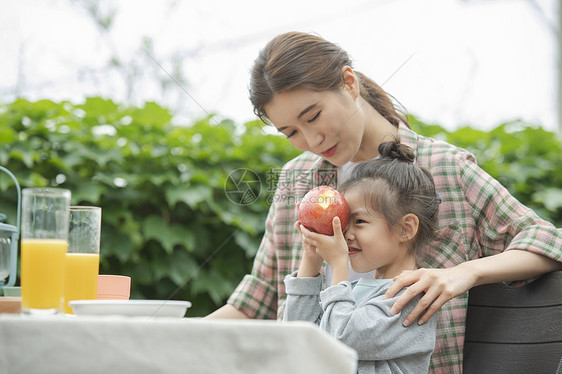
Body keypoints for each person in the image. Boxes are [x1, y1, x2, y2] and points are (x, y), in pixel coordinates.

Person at [206, 31, 562, 373]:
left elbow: (547, 241)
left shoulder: (444, 168)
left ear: (348, 82)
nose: (311, 139)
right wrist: (159, 338)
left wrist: (462, 274)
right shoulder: (298, 183)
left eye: (313, 116)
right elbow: (257, 301)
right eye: (291, 133)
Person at [284, 138, 439, 373]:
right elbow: (299, 339)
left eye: (359, 221)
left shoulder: (412, 297)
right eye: (347, 222)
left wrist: (338, 264)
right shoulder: (354, 291)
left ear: (405, 229)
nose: (346, 233)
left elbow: (342, 341)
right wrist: (311, 259)